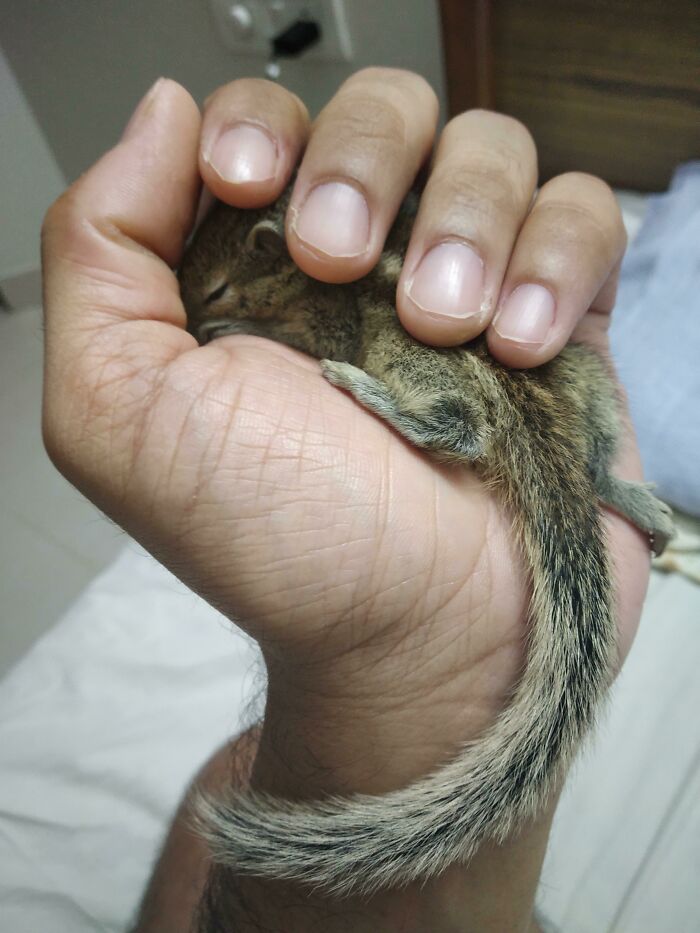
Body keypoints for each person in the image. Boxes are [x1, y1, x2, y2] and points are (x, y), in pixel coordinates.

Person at [41, 69, 651, 932]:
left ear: (264, 258)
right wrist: (401, 681)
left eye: (219, 299)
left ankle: (471, 430)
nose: (214, 319)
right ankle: (582, 469)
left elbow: (332, 337)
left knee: (410, 353)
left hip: (471, 411)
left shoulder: (315, 293)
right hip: (545, 436)